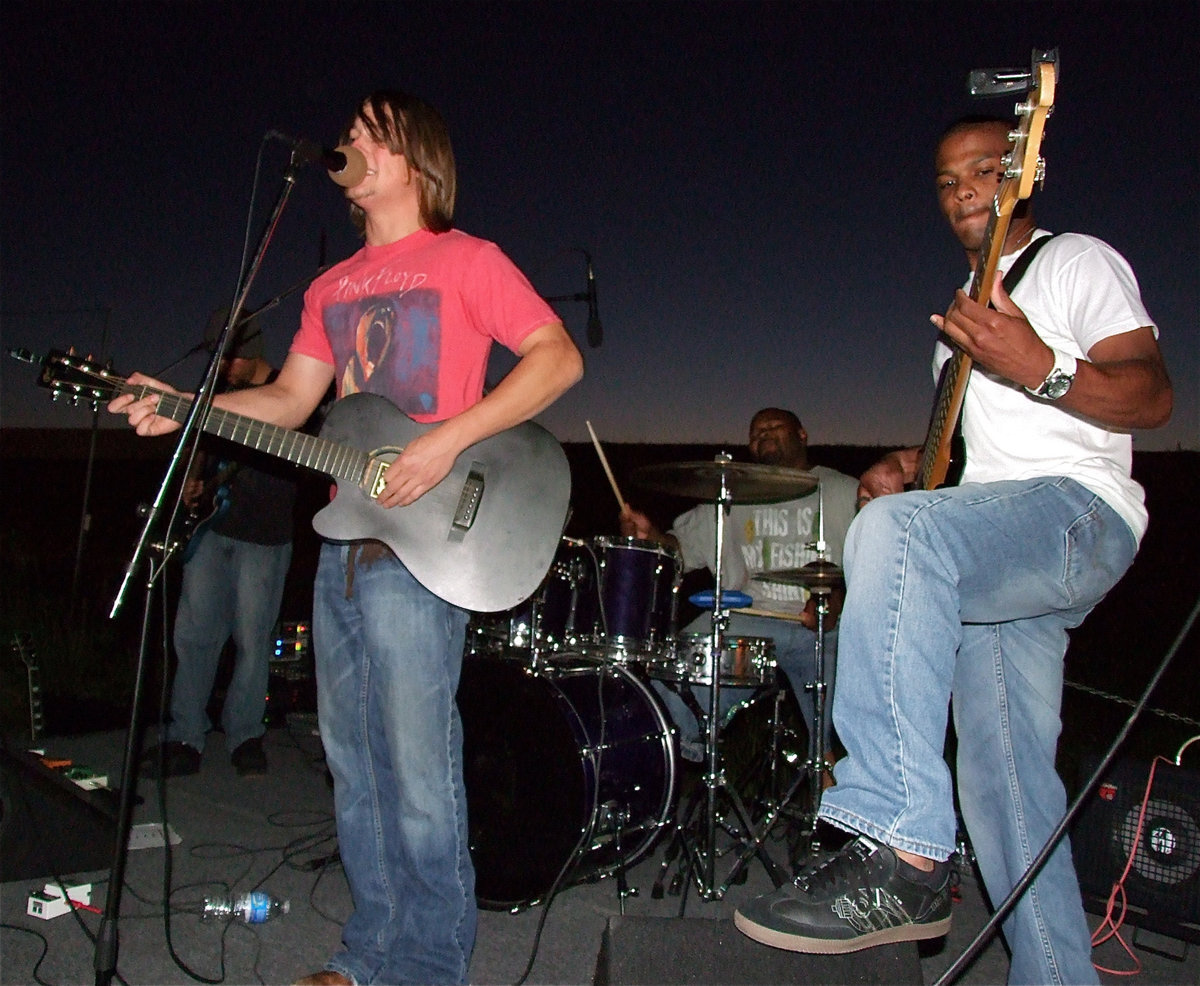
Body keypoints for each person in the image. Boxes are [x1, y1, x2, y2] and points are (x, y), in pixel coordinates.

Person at [110, 89, 583, 986]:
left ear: (414, 160)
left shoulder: (465, 259)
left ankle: (430, 967)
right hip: (345, 544)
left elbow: (558, 358)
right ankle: (369, 955)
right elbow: (291, 402)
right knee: (354, 767)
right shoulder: (329, 288)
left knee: (417, 770)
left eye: (371, 133)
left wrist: (446, 441)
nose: (349, 145)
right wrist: (184, 409)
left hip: (429, 541)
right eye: (348, 133)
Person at [733, 116, 1172, 985]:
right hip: (1002, 551)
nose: (965, 187)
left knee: (896, 535)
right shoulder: (955, 327)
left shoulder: (1073, 261)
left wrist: (1042, 365)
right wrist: (910, 464)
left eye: (984, 170)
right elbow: (978, 464)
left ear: (1026, 174)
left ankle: (899, 839)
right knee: (1005, 783)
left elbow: (1152, 395)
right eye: (946, 180)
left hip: (1078, 515)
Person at [620, 407, 859, 777]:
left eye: (774, 426)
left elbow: (876, 568)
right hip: (750, 619)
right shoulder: (732, 496)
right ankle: (667, 767)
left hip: (830, 627)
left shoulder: (845, 491)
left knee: (852, 728)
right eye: (755, 432)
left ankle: (838, 789)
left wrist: (838, 598)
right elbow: (679, 551)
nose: (763, 434)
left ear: (802, 434)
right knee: (677, 666)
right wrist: (652, 538)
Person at [142, 310, 297, 778]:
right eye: (222, 360)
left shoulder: (289, 391)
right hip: (212, 529)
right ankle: (185, 735)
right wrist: (193, 479)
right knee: (194, 636)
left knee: (252, 642)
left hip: (266, 536)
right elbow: (201, 444)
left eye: (235, 360)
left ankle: (245, 735)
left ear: (256, 353)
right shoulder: (221, 390)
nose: (227, 369)